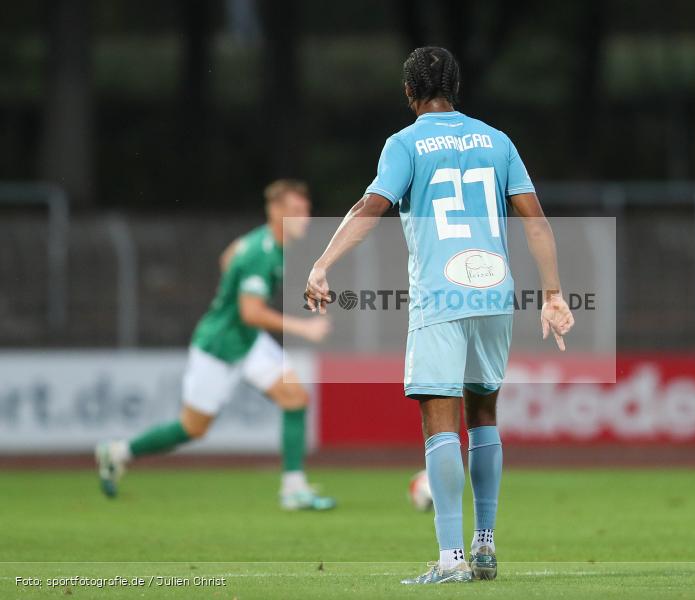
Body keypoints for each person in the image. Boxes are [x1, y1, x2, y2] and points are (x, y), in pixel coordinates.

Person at [304, 47, 573, 583]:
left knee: (439, 422)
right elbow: (537, 222)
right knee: (485, 417)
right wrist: (554, 294)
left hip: (441, 296)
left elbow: (369, 210)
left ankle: (451, 558)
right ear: (456, 88)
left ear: (409, 94)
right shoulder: (497, 141)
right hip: (496, 293)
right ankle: (487, 544)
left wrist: (321, 263)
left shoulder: (404, 144)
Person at [96, 179, 336, 511]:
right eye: (296, 211)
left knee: (295, 397)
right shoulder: (261, 252)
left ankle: (293, 489)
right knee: (192, 428)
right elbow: (250, 312)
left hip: (247, 342)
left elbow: (228, 257)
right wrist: (303, 328)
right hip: (220, 346)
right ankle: (119, 452)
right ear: (276, 211)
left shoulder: (262, 243)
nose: (305, 217)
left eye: (307, 210)